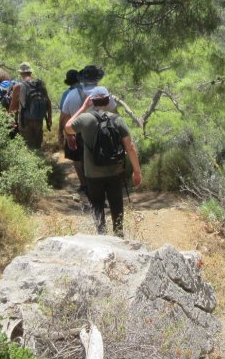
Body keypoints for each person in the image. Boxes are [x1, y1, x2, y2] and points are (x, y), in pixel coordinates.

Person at [64, 86, 142, 236]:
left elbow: (68, 128)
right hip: (115, 171)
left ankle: (102, 236)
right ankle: (118, 235)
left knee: (97, 206)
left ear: (92, 101)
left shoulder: (85, 119)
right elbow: (130, 147)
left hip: (92, 173)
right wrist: (137, 171)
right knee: (116, 205)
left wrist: (83, 107)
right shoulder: (118, 120)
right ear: (108, 100)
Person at [60, 65, 116, 193]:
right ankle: (101, 187)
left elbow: (65, 116)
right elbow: (115, 115)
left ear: (82, 79)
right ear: (97, 79)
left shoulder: (72, 94)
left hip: (79, 132)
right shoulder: (104, 93)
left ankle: (85, 185)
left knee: (80, 159)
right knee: (100, 160)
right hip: (101, 131)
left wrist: (68, 135)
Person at [8, 62, 52, 150]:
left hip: (25, 121)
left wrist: (10, 120)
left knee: (28, 147)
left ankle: (31, 162)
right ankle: (40, 161)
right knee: (37, 145)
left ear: (21, 73)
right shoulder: (40, 84)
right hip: (39, 119)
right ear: (30, 72)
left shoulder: (18, 87)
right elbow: (48, 102)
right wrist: (49, 119)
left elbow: (12, 107)